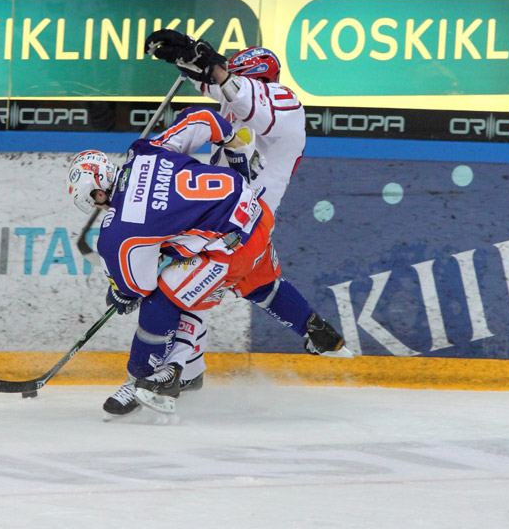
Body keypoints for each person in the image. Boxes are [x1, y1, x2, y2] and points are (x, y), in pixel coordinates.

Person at [93, 30, 345, 417]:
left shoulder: (283, 103)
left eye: (233, 76)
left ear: (256, 77)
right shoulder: (234, 98)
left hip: (235, 226)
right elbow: (221, 90)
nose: (221, 85)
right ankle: (313, 328)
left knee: (169, 289)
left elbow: (243, 96)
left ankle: (162, 372)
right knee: (257, 283)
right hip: (227, 222)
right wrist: (186, 60)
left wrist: (214, 68)